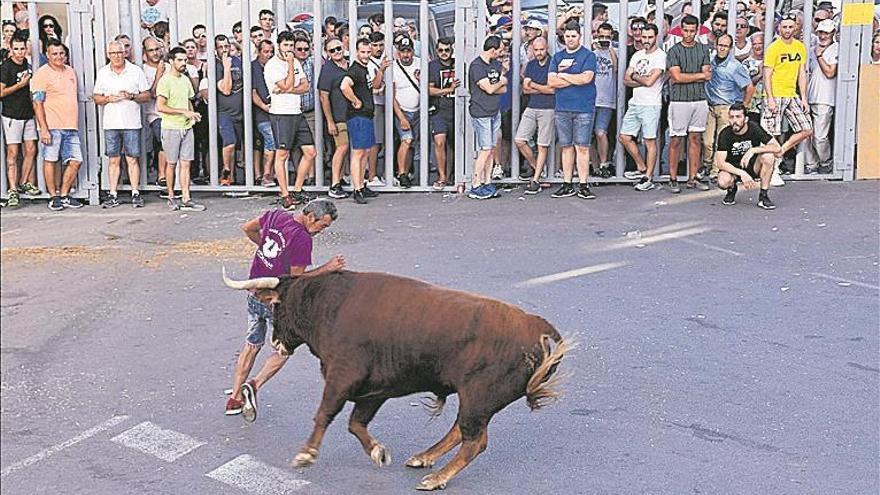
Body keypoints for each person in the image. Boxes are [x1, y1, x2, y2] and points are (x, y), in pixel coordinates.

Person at [225, 199, 345, 421]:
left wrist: (265, 249)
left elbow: (247, 228)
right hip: (276, 302)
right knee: (284, 349)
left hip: (254, 291)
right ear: (311, 217)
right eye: (323, 225)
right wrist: (327, 269)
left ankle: (234, 398)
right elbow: (295, 279)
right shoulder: (302, 238)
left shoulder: (276, 215)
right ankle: (254, 384)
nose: (322, 230)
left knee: (251, 345)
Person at [94, 40, 151, 208]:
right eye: (113, 53)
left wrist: (131, 96)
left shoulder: (135, 71)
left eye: (119, 53)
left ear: (125, 53)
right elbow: (96, 97)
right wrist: (107, 99)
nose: (117, 56)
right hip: (111, 123)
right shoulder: (103, 72)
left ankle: (135, 192)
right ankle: (113, 193)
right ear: (108, 55)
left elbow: (146, 95)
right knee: (113, 159)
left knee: (132, 158)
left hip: (131, 122)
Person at [263, 30, 316, 209]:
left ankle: (298, 189)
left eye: (291, 46)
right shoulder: (272, 65)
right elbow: (286, 83)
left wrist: (289, 89)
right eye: (286, 45)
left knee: (310, 152)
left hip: (296, 111)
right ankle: (285, 194)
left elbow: (305, 86)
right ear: (279, 45)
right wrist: (291, 66)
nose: (289, 49)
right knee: (282, 154)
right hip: (281, 113)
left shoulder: (296, 62)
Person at [547, 21, 598, 200]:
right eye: (567, 36)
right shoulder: (557, 57)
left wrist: (564, 76)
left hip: (583, 107)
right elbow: (551, 82)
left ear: (579, 36)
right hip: (562, 107)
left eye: (573, 36)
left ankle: (583, 184)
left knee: (582, 147)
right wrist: (573, 78)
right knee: (566, 147)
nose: (570, 39)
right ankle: (567, 183)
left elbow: (587, 78)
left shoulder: (588, 56)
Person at [31, 38, 83, 211]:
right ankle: (53, 196)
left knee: (76, 160)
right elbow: (37, 103)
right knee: (51, 160)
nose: (59, 56)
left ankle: (64, 194)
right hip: (52, 125)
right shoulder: (41, 74)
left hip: (71, 125)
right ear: (48, 55)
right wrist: (43, 128)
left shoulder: (70, 71)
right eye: (55, 54)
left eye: (61, 53)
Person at [762, 13, 813, 181]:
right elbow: (767, 74)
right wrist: (769, 98)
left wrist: (803, 97)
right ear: (779, 28)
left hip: (792, 94)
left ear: (795, 28)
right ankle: (773, 170)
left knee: (806, 129)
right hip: (775, 94)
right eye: (784, 27)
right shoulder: (773, 48)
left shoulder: (799, 47)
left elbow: (802, 74)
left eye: (791, 27)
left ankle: (780, 153)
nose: (787, 30)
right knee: (772, 133)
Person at [666, 15, 712, 194]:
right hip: (679, 100)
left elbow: (707, 75)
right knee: (676, 139)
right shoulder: (674, 50)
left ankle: (692, 178)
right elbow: (676, 77)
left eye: (692, 31)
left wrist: (688, 77)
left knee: (695, 138)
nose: (689, 34)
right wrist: (699, 76)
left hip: (699, 99)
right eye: (686, 30)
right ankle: (673, 178)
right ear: (681, 29)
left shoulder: (703, 49)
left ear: (697, 30)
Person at [156, 46, 205, 211]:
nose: (184, 63)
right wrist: (183, 111)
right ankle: (171, 196)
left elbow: (188, 99)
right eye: (180, 60)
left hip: (186, 126)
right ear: (171, 61)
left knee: (186, 163)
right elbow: (160, 106)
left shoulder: (185, 80)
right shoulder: (165, 80)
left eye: (185, 60)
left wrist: (191, 113)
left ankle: (186, 197)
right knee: (171, 164)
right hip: (171, 127)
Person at [618, 24, 666, 192]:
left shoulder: (660, 56)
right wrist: (641, 78)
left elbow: (649, 81)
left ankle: (648, 177)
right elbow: (625, 80)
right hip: (635, 102)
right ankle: (641, 167)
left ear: (656, 37)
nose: (646, 40)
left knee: (649, 141)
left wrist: (636, 77)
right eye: (644, 37)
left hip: (651, 104)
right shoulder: (637, 55)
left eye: (649, 37)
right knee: (624, 137)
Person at [704, 34, 755, 178]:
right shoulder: (710, 62)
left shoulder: (735, 66)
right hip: (710, 105)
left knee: (720, 142)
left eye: (726, 46)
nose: (722, 48)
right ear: (715, 45)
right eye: (720, 45)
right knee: (707, 141)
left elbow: (749, 87)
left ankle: (715, 171)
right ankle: (707, 166)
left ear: (730, 48)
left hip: (727, 106)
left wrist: (743, 107)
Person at [715, 103, 781, 210]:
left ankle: (763, 195)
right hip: (734, 169)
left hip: (752, 165)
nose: (734, 121)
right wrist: (742, 173)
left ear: (745, 119)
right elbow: (720, 163)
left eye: (738, 117)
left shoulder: (754, 128)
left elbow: (777, 148)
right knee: (723, 181)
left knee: (769, 156)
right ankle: (732, 189)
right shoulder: (725, 133)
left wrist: (753, 150)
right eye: (731, 117)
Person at [1, 35, 40, 208]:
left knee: (31, 149)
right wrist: (21, 85)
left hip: (28, 113)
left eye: (22, 48)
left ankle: (24, 182)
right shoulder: (6, 67)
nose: (19, 52)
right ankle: (12, 190)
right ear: (10, 49)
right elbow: (1, 92)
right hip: (11, 115)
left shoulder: (29, 64)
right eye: (16, 49)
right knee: (13, 153)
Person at [340, 38, 380, 204]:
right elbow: (344, 85)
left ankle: (361, 186)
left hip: (365, 116)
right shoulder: (355, 70)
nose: (365, 55)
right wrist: (355, 101)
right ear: (357, 52)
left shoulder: (365, 68)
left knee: (364, 152)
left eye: (368, 52)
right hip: (358, 117)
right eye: (362, 52)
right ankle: (357, 189)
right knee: (358, 153)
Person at [467, 35, 507, 200]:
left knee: (490, 149)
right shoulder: (477, 66)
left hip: (494, 110)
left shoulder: (495, 65)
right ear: (493, 49)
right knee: (485, 149)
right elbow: (489, 88)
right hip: (481, 111)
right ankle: (476, 185)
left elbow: (501, 90)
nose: (501, 53)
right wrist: (501, 81)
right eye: (500, 50)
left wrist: (496, 85)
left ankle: (487, 181)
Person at [515, 36, 555, 195]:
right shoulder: (531, 65)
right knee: (519, 140)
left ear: (547, 48)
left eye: (542, 49)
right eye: (536, 50)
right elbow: (526, 89)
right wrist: (543, 88)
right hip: (532, 106)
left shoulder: (554, 63)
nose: (539, 52)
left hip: (549, 108)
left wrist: (534, 86)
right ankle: (538, 167)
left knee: (542, 144)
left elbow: (553, 90)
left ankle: (536, 179)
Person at [319, 38, 351, 199]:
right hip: (338, 117)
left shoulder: (351, 64)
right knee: (342, 148)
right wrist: (330, 121)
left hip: (353, 115)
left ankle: (340, 179)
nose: (337, 52)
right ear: (327, 53)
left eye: (338, 48)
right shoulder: (327, 70)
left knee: (347, 149)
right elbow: (323, 97)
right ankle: (334, 184)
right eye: (332, 50)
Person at [805, 19, 838, 174]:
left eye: (826, 32)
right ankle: (811, 164)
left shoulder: (836, 49)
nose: (823, 36)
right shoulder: (812, 49)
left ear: (833, 33)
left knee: (820, 137)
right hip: (810, 97)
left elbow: (830, 72)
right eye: (820, 32)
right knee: (806, 135)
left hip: (825, 98)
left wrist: (819, 56)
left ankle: (825, 163)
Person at [427, 36, 458, 190]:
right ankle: (442, 176)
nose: (444, 53)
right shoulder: (432, 66)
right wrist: (448, 90)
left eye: (447, 50)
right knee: (440, 142)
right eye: (440, 50)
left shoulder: (458, 64)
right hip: (439, 110)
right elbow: (429, 90)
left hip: (456, 109)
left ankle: (451, 174)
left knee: (453, 145)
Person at [214, 34, 245, 186]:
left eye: (226, 46)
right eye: (220, 47)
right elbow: (226, 89)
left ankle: (231, 180)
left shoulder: (238, 62)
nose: (224, 50)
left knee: (235, 148)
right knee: (229, 143)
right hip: (224, 113)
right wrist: (226, 68)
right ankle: (225, 171)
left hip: (240, 112)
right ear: (215, 50)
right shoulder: (216, 66)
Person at [391, 34, 421, 188]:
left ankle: (407, 173)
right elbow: (391, 96)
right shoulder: (394, 68)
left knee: (412, 143)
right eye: (403, 51)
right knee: (406, 140)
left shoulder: (420, 63)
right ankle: (402, 174)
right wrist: (401, 117)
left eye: (408, 51)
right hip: (402, 111)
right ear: (398, 52)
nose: (406, 55)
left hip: (419, 112)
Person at [591, 23, 618, 177]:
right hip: (591, 99)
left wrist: (610, 48)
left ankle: (604, 164)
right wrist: (594, 45)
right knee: (589, 136)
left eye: (607, 37)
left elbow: (616, 67)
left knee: (601, 132)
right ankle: (595, 167)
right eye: (601, 36)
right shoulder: (592, 52)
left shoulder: (615, 51)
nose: (604, 40)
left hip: (607, 100)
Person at [142, 36, 169, 189]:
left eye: (157, 49)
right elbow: (151, 94)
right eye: (151, 50)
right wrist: (159, 74)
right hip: (155, 114)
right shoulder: (143, 70)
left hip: (173, 113)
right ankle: (162, 176)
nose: (155, 53)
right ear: (145, 52)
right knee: (164, 141)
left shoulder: (170, 66)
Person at [367, 31, 391, 188]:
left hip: (389, 103)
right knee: (375, 142)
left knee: (388, 141)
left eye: (381, 45)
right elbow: (374, 86)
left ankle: (386, 174)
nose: (378, 48)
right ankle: (372, 176)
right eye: (375, 45)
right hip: (376, 105)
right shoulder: (369, 63)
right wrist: (381, 71)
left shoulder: (388, 58)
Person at [251, 39, 276, 187]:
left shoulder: (275, 66)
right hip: (261, 112)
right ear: (259, 51)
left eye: (271, 51)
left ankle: (269, 174)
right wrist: (265, 107)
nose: (269, 54)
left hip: (276, 110)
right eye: (266, 51)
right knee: (270, 138)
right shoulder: (253, 67)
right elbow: (253, 92)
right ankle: (266, 175)